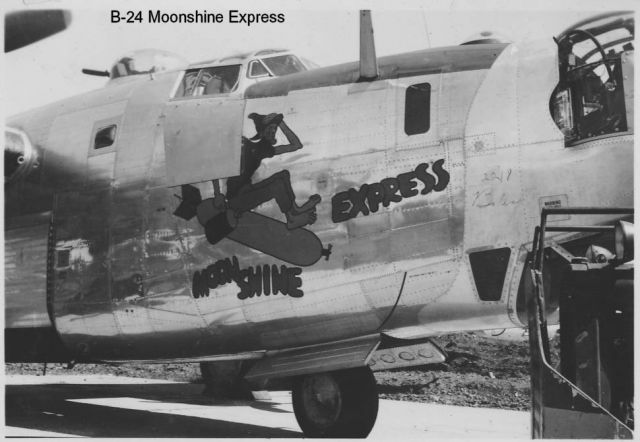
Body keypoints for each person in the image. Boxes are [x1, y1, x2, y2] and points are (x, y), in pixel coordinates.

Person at [226, 112, 321, 229]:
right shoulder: (251, 147)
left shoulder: (260, 149)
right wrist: (217, 195)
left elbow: (296, 145)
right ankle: (291, 218)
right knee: (277, 186)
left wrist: (280, 122)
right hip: (236, 200)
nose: (273, 132)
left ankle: (294, 210)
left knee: (283, 175)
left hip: (245, 192)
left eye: (274, 129)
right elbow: (295, 145)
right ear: (261, 131)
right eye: (270, 128)